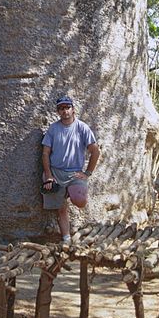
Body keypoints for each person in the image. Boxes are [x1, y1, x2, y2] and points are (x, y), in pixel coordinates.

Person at [41, 96, 100, 243]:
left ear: (73, 109)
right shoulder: (53, 129)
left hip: (75, 173)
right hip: (55, 173)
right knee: (60, 208)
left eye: (67, 107)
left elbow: (95, 151)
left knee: (80, 201)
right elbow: (45, 153)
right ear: (58, 111)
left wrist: (87, 173)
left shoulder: (82, 128)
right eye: (61, 108)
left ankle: (70, 191)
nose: (65, 111)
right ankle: (66, 238)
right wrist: (48, 175)